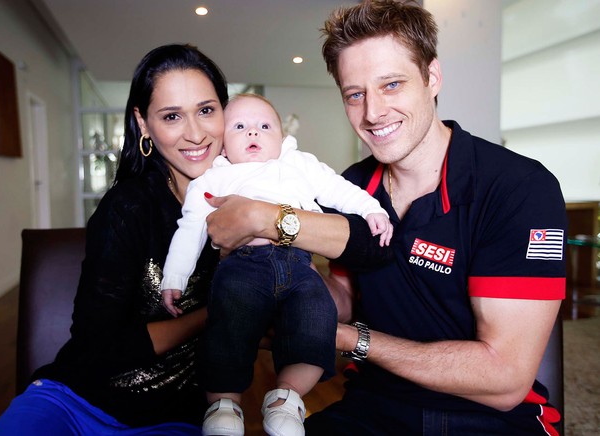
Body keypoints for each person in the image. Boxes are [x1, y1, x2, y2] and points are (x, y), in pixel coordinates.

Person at [203, 1, 567, 435]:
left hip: (491, 420)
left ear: (432, 77)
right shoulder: (352, 187)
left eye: (391, 85)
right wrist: (273, 269)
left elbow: (505, 378)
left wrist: (349, 339)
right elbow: (339, 297)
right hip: (371, 407)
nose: (373, 113)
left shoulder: (519, 187)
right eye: (355, 94)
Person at [0, 44, 229, 435]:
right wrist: (212, 314)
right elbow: (97, 344)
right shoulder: (128, 207)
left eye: (206, 110)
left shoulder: (249, 203)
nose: (196, 133)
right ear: (144, 123)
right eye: (172, 116)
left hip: (173, 417)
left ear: (225, 111)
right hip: (77, 402)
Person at [159, 93, 392, 436]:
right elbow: (190, 227)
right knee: (227, 325)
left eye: (264, 126)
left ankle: (287, 398)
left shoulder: (298, 163)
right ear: (223, 146)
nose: (253, 133)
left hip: (299, 265)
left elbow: (337, 189)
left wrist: (373, 210)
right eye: (240, 127)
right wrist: (174, 276)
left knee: (317, 319)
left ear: (281, 139)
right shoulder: (214, 179)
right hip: (243, 266)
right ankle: (223, 404)